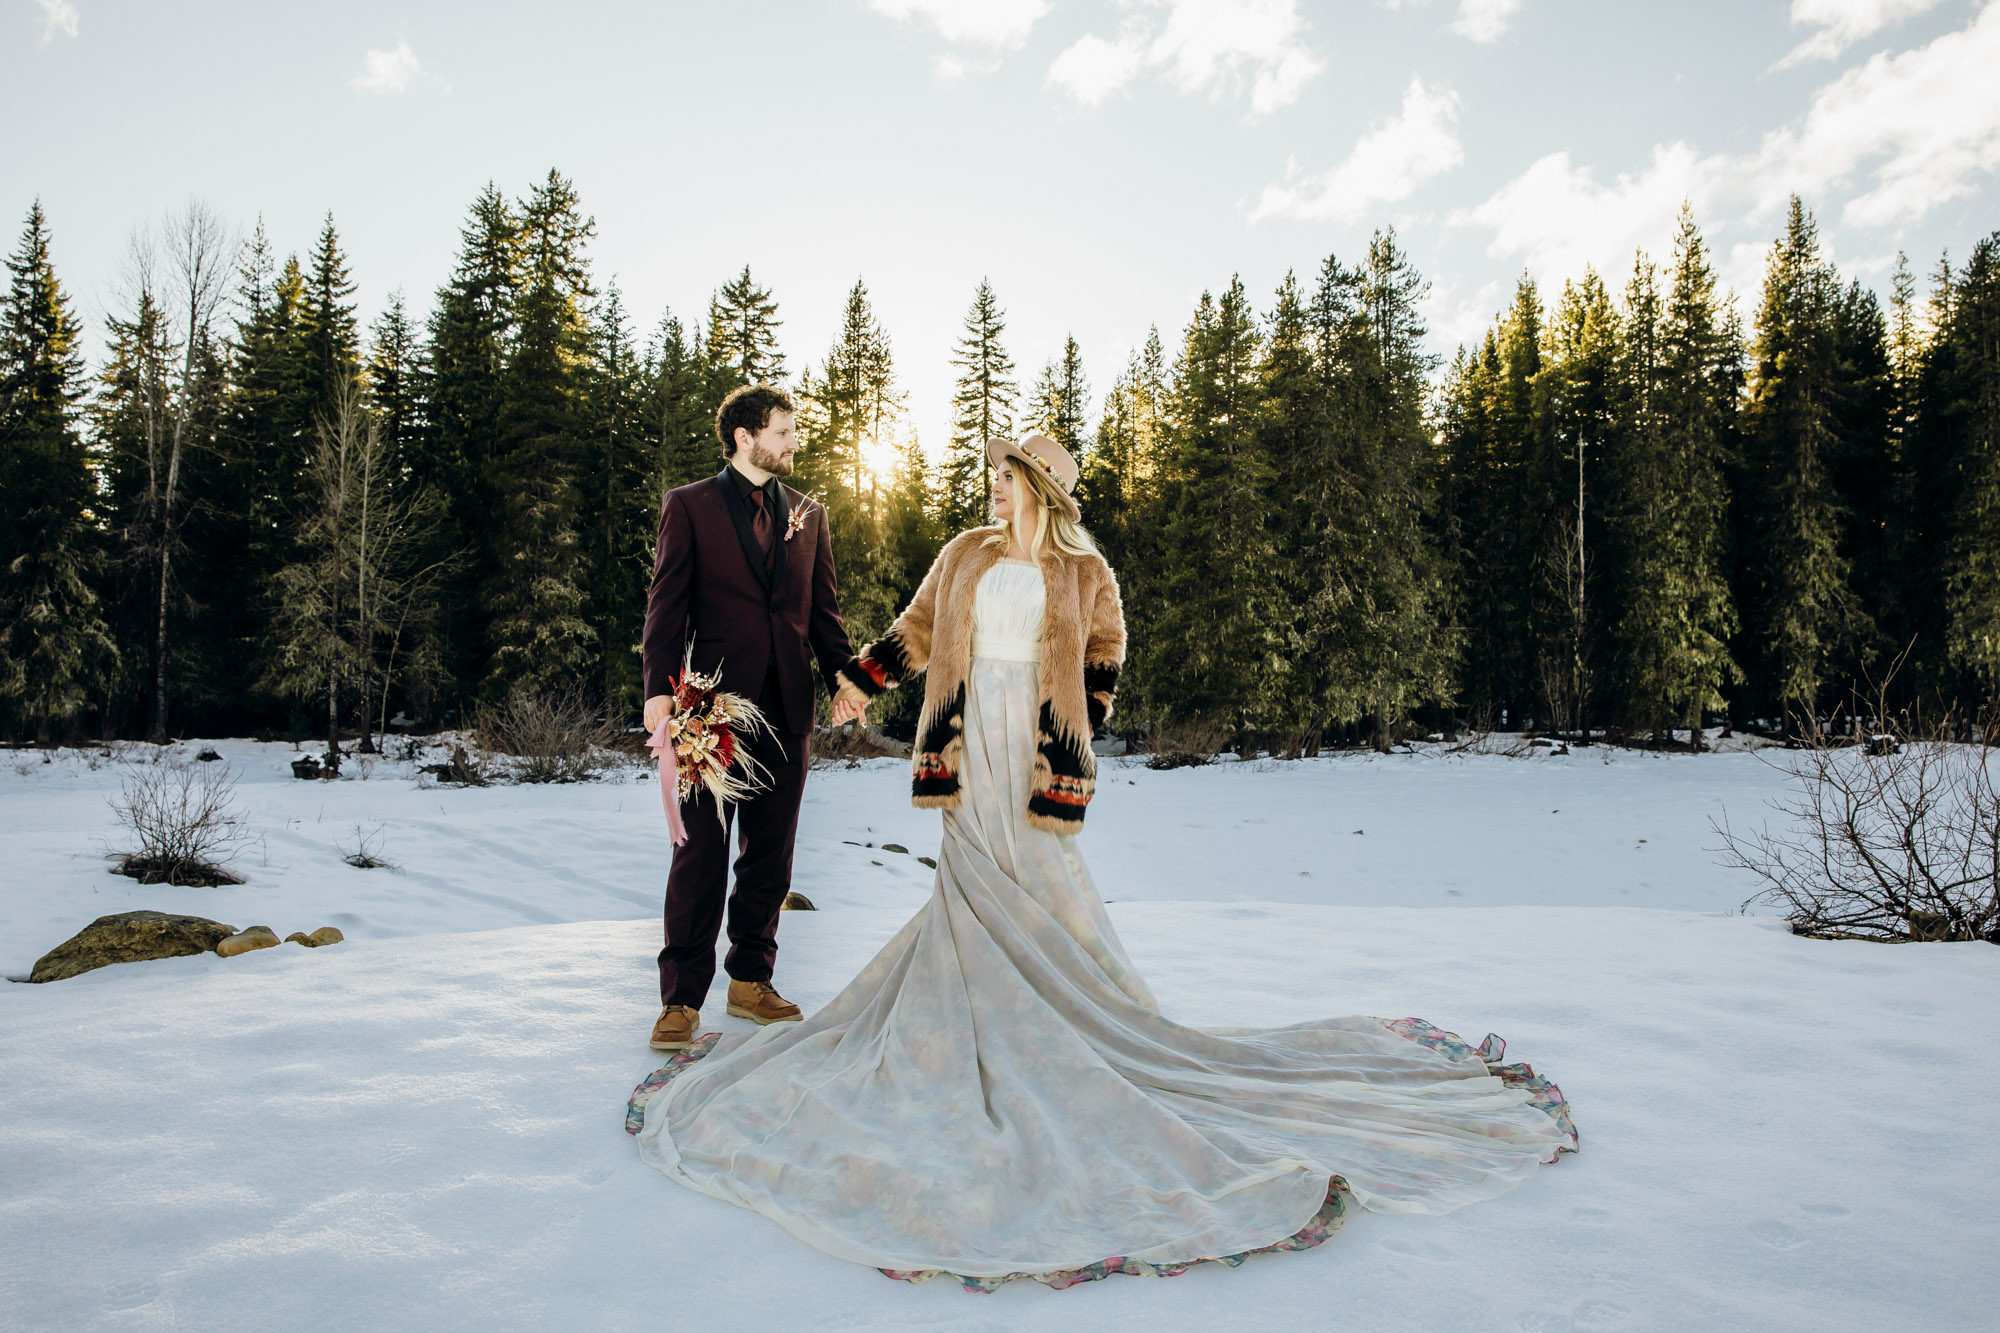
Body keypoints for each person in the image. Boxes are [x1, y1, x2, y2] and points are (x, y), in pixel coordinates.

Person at [630, 433, 1576, 1289]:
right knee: (969, 882)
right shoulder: (962, 554)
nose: (992, 490)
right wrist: (853, 688)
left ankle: (1073, 1022)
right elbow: (913, 634)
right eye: (993, 478)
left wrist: (1082, 724)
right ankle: (968, 1016)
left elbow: (1108, 652)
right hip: (965, 744)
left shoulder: (1086, 571)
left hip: (1036, 746)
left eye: (1005, 479)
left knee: (1046, 886)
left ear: (1038, 487)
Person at [639, 384, 865, 1053]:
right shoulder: (689, 506)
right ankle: (681, 996)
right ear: (745, 436)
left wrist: (844, 679)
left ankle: (750, 980)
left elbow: (822, 614)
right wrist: (658, 689)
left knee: (771, 855)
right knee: (701, 856)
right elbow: (666, 606)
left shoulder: (808, 513)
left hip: (787, 708)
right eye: (785, 431)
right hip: (709, 710)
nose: (795, 442)